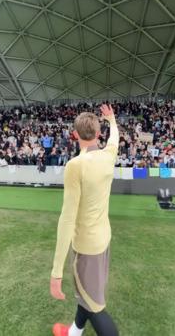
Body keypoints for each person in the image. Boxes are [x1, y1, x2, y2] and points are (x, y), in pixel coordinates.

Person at [50, 104, 119, 336]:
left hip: (87, 249)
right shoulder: (108, 156)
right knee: (88, 295)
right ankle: (73, 332)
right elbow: (114, 140)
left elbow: (67, 219)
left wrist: (56, 272)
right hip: (103, 240)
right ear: (98, 134)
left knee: (96, 307)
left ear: (75, 134)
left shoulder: (75, 166)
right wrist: (112, 120)